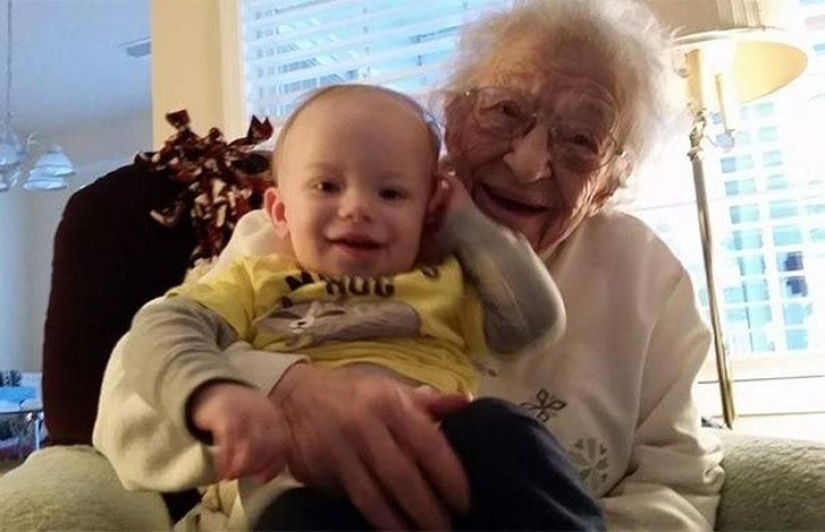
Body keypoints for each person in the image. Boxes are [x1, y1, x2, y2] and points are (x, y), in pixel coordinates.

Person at [91, 0, 723, 529]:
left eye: (582, 141)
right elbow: (126, 415)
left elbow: (677, 488)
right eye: (505, 110)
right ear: (452, 114)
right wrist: (283, 390)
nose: (530, 162)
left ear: (612, 181)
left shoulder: (646, 277)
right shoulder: (313, 234)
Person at [95, 84, 606, 530]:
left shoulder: (441, 281)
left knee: (506, 433)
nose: (358, 206)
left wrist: (468, 226)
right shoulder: (254, 278)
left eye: (391, 192)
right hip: (304, 484)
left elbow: (533, 323)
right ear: (278, 210)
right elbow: (160, 328)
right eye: (326, 185)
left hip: (444, 461)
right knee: (285, 522)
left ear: (427, 211)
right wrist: (214, 390)